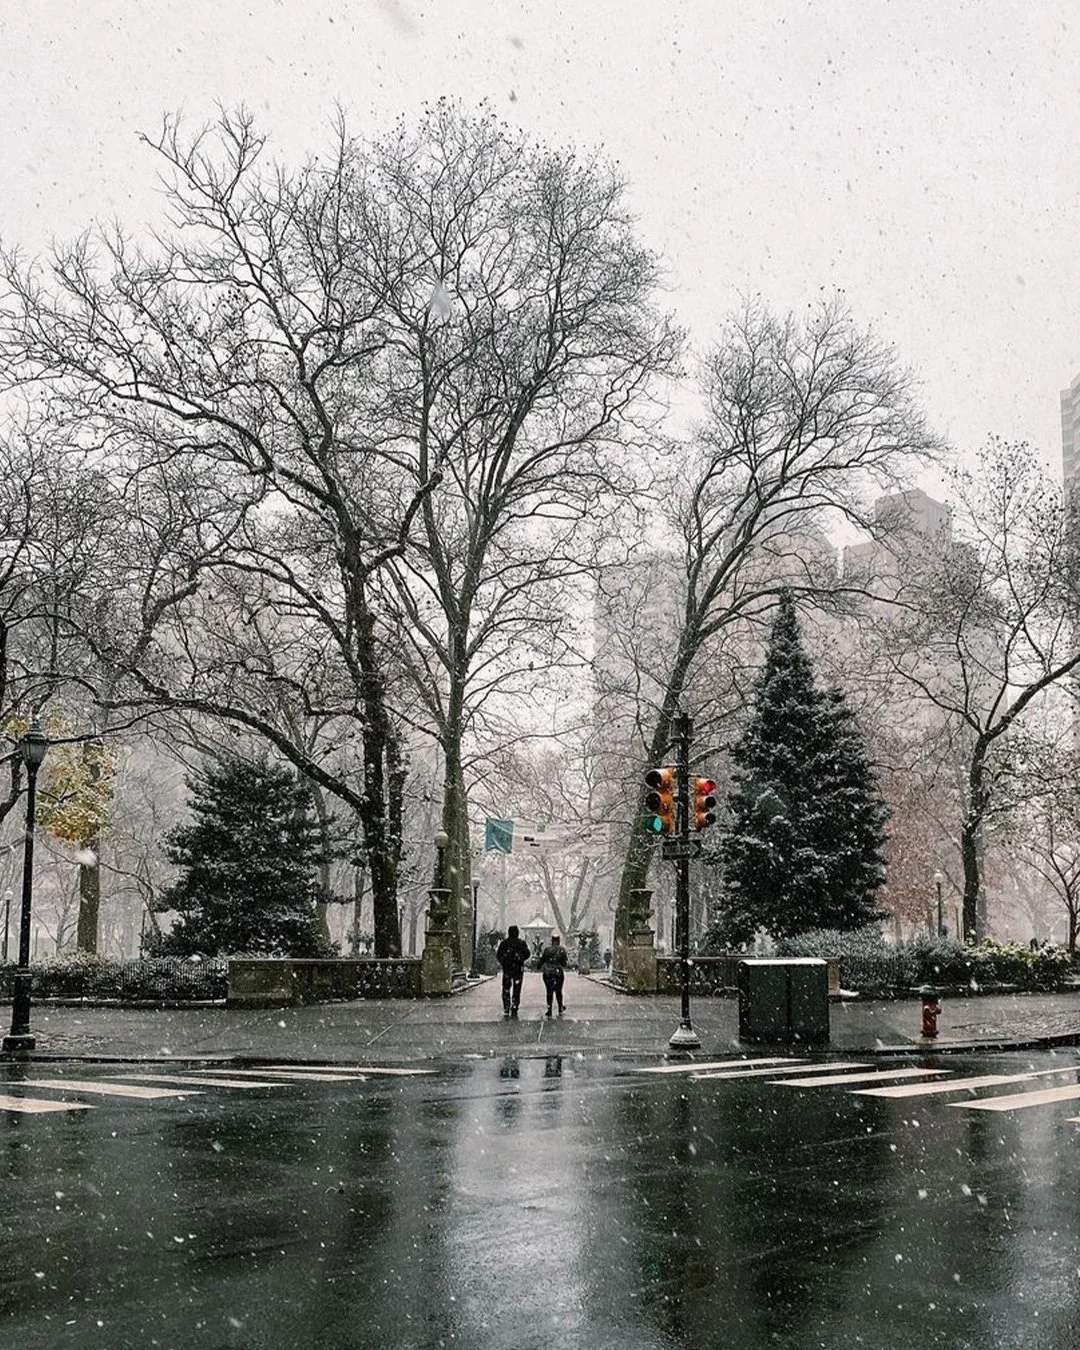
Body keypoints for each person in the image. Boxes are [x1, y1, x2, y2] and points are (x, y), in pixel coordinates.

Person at [496, 925, 530, 1018]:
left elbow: (498, 955)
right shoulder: (521, 943)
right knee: (517, 988)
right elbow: (527, 954)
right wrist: (521, 959)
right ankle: (515, 1005)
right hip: (518, 968)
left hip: (507, 968)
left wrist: (504, 962)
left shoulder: (504, 943)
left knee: (506, 987)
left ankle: (506, 1006)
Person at [539, 932, 568, 1017]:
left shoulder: (547, 950)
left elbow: (542, 960)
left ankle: (549, 1009)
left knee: (549, 991)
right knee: (559, 991)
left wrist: (540, 966)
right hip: (558, 972)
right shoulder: (562, 950)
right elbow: (564, 963)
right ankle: (560, 1006)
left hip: (548, 973)